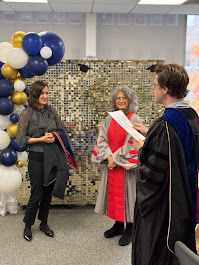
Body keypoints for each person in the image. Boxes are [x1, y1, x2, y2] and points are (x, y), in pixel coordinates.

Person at [132, 63, 199, 265]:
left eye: (155, 85)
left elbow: (152, 174)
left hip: (164, 207)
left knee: (159, 252)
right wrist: (150, 133)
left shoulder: (165, 124)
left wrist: (141, 149)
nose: (153, 89)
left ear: (165, 89)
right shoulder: (192, 116)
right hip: (186, 197)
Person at [16, 80, 68, 242]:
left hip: (52, 156)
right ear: (35, 95)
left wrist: (55, 136)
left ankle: (43, 223)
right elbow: (20, 139)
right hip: (37, 157)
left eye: (47, 93)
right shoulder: (27, 113)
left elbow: (62, 131)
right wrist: (41, 139)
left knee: (47, 193)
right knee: (37, 192)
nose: (45, 96)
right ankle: (28, 224)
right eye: (42, 93)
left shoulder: (51, 111)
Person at [91, 85, 142, 246]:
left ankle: (131, 227)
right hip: (112, 166)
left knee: (129, 197)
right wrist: (108, 157)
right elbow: (102, 140)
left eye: (124, 98)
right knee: (114, 197)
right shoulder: (109, 119)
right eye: (118, 98)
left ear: (130, 100)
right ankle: (119, 225)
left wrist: (115, 158)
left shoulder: (135, 119)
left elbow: (134, 143)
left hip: (126, 168)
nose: (120, 100)